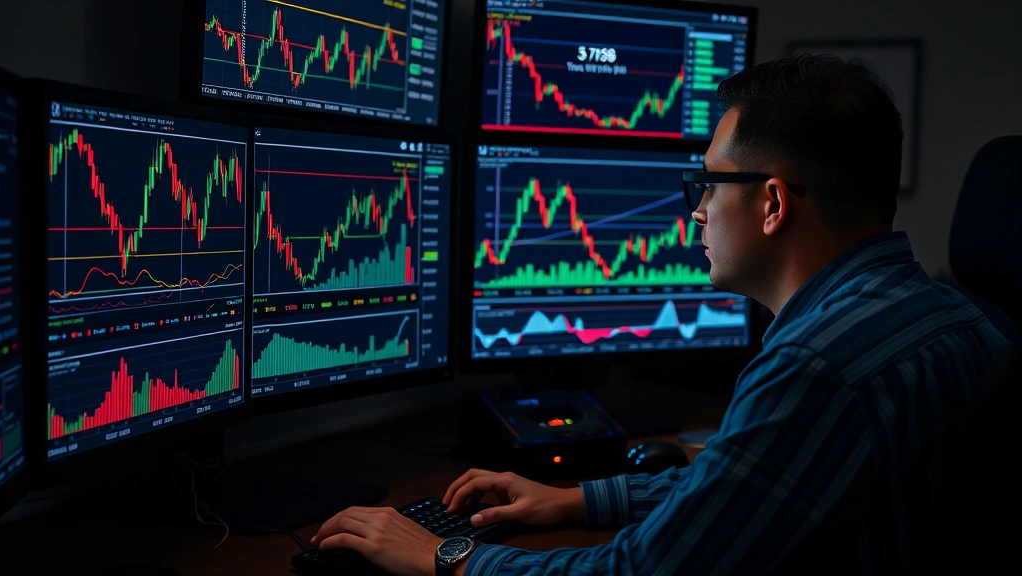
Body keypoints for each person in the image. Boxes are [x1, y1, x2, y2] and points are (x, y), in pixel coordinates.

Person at [310, 54, 1010, 575]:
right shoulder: (950, 314)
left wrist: (446, 555)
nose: (698, 211)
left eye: (708, 184)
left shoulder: (815, 364)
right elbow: (751, 486)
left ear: (772, 203)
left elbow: (643, 570)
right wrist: (575, 500)